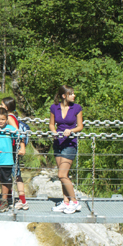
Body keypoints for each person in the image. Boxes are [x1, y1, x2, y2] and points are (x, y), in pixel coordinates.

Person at [49, 85, 84, 213]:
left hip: (70, 143)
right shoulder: (54, 108)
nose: (74, 96)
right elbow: (52, 124)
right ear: (64, 96)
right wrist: (53, 132)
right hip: (58, 142)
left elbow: (80, 126)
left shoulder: (77, 108)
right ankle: (66, 202)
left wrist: (71, 130)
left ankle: (74, 202)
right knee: (63, 176)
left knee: (62, 174)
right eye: (71, 94)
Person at [1, 96, 29, 210]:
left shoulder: (10, 117)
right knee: (9, 173)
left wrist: (22, 146)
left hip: (12, 149)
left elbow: (18, 132)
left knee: (15, 174)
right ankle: (8, 197)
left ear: (7, 107)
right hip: (9, 149)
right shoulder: (9, 117)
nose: (0, 107)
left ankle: (22, 201)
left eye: (1, 105)